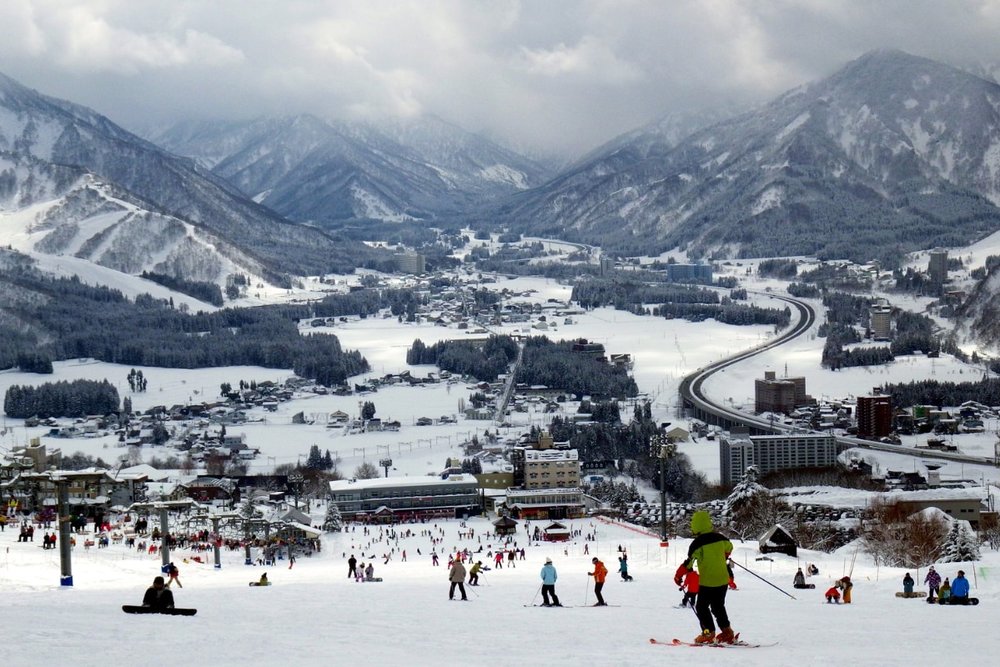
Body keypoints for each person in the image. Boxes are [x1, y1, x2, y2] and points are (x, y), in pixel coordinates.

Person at [674, 510, 736, 644]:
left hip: (708, 582)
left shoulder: (697, 544)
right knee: (718, 606)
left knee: (702, 607)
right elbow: (729, 547)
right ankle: (727, 632)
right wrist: (723, 555)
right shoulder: (720, 537)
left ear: (695, 526)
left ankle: (708, 633)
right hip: (722, 580)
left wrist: (678, 575)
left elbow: (689, 564)